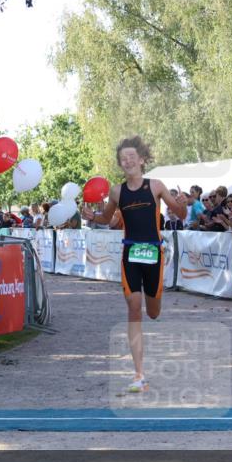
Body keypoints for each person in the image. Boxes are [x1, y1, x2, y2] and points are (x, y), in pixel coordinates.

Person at [81, 136, 187, 393]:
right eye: (123, 158)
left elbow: (181, 214)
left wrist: (183, 205)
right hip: (130, 254)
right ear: (120, 164)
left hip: (153, 254)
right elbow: (107, 218)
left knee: (153, 312)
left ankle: (155, 302)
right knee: (134, 308)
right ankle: (139, 375)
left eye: (131, 157)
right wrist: (93, 216)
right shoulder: (117, 192)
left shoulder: (156, 186)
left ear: (141, 160)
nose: (127, 161)